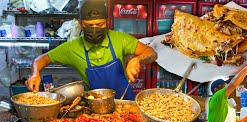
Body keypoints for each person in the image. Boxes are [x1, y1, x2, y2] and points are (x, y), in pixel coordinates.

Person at [25, 0, 157, 100]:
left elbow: (152, 53)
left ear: (107, 22)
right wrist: (35, 73)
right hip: (95, 108)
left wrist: (138, 59)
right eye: (89, 25)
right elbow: (42, 59)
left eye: (99, 25)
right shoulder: (72, 47)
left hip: (124, 102)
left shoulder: (119, 39)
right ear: (81, 23)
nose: (94, 29)